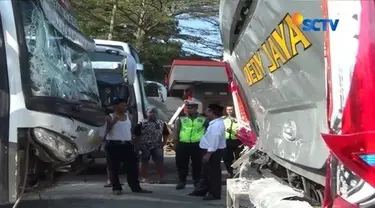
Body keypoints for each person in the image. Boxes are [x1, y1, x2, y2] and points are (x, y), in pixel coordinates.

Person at [105, 97, 152, 195]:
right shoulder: (109, 117)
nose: (125, 107)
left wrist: (135, 144)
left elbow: (131, 131)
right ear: (115, 106)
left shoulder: (129, 116)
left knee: (132, 168)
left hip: (127, 145)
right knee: (114, 168)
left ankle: (136, 187)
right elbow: (105, 131)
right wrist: (114, 122)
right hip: (113, 145)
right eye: (123, 105)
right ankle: (116, 188)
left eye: (126, 105)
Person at [188, 103, 226, 200]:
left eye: (207, 111)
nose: (205, 113)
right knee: (206, 173)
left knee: (213, 174)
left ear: (212, 112)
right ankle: (202, 190)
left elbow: (214, 140)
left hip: (212, 152)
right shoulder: (214, 123)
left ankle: (214, 193)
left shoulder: (217, 125)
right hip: (210, 150)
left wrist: (208, 154)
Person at [174, 100, 208, 190]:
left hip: (197, 145)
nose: (188, 109)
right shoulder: (181, 119)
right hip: (183, 144)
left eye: (191, 107)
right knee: (181, 164)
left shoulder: (203, 119)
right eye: (187, 107)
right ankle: (182, 181)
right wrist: (176, 143)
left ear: (196, 108)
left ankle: (197, 181)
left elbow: (208, 132)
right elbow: (176, 131)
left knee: (197, 164)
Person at [134, 107, 170, 184]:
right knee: (144, 162)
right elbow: (136, 135)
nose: (152, 114)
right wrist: (138, 146)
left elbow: (166, 134)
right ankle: (144, 178)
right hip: (144, 146)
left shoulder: (161, 123)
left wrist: (163, 143)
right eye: (150, 112)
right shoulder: (141, 123)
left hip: (157, 145)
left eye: (154, 112)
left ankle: (161, 178)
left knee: (159, 162)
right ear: (146, 113)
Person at [222, 105, 242, 178]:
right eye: (228, 110)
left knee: (239, 158)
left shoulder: (239, 119)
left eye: (231, 109)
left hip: (237, 141)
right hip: (226, 141)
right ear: (226, 111)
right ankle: (230, 172)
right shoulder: (223, 119)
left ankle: (239, 172)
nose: (229, 111)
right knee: (227, 158)